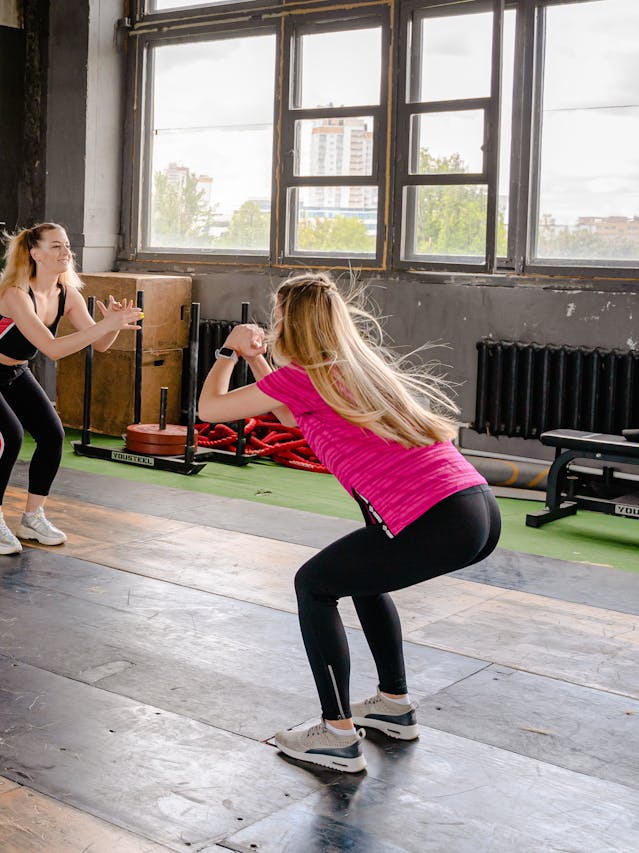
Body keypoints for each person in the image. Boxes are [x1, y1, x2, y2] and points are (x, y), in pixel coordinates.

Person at [197, 272, 500, 773]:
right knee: (362, 577)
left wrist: (227, 353)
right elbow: (295, 417)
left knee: (313, 584)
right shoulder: (354, 368)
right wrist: (257, 360)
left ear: (289, 323)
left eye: (277, 319)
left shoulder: (305, 377)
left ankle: (336, 734)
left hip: (440, 516)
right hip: (475, 508)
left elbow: (211, 409)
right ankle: (393, 705)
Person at [0, 223, 141, 554]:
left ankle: (32, 516)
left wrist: (113, 325)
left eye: (66, 246)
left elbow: (102, 344)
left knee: (53, 435)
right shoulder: (15, 295)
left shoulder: (68, 295)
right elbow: (52, 349)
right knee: (9, 436)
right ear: (35, 254)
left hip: (15, 371)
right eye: (56, 246)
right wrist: (105, 327)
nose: (66, 252)